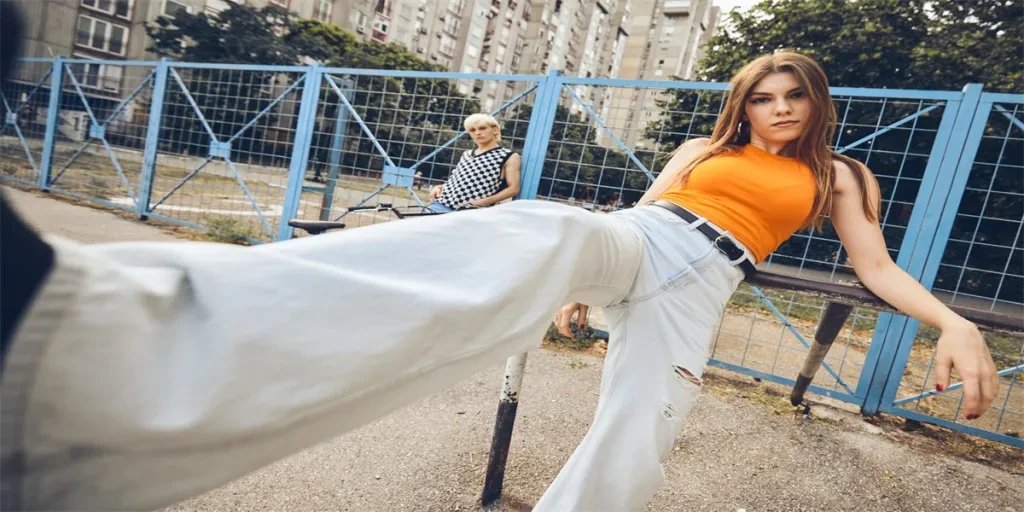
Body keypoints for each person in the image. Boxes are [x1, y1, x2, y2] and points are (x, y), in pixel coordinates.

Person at [0, 10, 997, 508]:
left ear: (815, 106)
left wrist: (949, 317)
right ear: (746, 102)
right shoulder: (705, 148)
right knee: (539, 229)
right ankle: (94, 333)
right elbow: (639, 213)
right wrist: (580, 281)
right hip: (642, 237)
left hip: (705, 284)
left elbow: (873, 268)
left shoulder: (841, 179)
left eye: (794, 96)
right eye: (764, 95)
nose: (778, 107)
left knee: (636, 434)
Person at [425, 113, 521, 212]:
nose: (477, 133)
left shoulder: (508, 156)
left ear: (495, 130)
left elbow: (513, 188)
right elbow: (459, 181)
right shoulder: (467, 154)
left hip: (471, 210)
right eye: (472, 130)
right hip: (441, 204)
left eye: (482, 128)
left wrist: (482, 202)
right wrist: (439, 187)